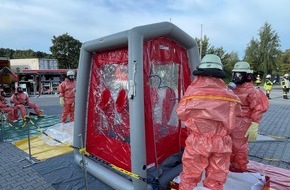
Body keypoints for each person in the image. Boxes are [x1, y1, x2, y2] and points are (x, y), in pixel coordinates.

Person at [177, 54, 241, 190]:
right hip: (221, 143)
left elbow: (181, 113)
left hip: (197, 142)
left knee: (189, 177)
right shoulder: (230, 96)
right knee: (216, 179)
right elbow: (234, 120)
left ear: (200, 72)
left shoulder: (192, 92)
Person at [228, 61, 269, 172]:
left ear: (247, 76)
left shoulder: (252, 92)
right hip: (231, 121)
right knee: (229, 143)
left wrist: (255, 124)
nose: (236, 77)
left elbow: (259, 108)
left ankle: (239, 166)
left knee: (239, 146)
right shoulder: (233, 89)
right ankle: (230, 164)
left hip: (242, 122)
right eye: (235, 74)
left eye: (239, 75)